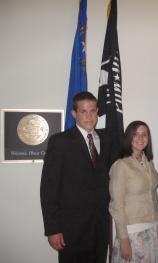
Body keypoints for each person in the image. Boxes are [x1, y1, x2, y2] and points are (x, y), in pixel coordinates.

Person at [40, 91, 112, 263]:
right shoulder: (60, 142)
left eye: (93, 111)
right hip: (71, 230)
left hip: (100, 228)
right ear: (74, 113)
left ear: (97, 111)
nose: (89, 116)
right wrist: (52, 229)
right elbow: (49, 188)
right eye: (83, 111)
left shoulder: (106, 139)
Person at [109, 121, 158, 263]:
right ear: (128, 137)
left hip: (153, 229)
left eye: (144, 134)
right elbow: (117, 205)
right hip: (133, 232)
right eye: (135, 134)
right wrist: (123, 239)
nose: (140, 138)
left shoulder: (149, 163)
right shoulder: (121, 165)